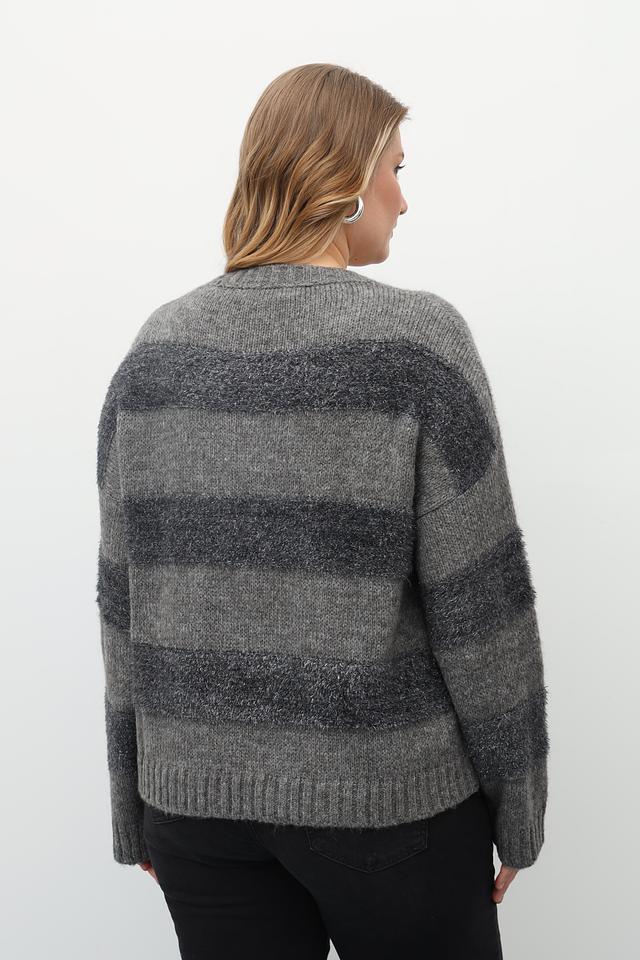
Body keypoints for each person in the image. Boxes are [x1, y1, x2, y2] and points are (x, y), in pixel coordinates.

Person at [96, 63, 550, 959]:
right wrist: (520, 809)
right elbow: (482, 607)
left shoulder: (154, 351)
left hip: (196, 815)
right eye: (396, 170)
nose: (403, 200)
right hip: (387, 808)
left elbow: (125, 603)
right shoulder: (417, 343)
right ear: (342, 181)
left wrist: (133, 800)